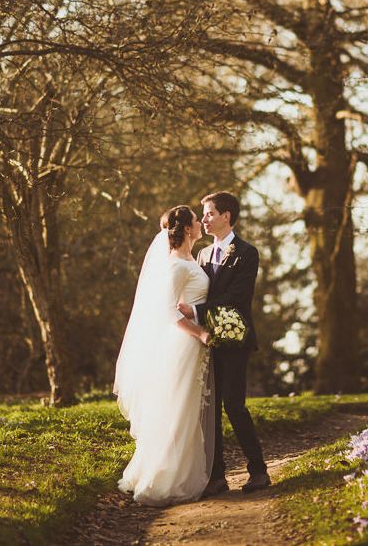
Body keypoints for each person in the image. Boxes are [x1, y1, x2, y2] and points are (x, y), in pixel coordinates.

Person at [113, 206, 213, 506]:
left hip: (191, 344)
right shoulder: (176, 266)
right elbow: (168, 311)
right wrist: (201, 334)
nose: (200, 223)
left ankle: (179, 472)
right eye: (196, 220)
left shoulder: (191, 259)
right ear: (185, 229)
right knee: (178, 410)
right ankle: (163, 479)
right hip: (183, 344)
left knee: (188, 409)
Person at [178, 191, 270, 496]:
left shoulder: (247, 253)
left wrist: (198, 311)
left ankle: (258, 471)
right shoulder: (202, 256)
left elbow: (238, 298)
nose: (203, 220)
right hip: (205, 343)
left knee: (233, 404)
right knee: (210, 409)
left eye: (209, 214)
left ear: (226, 215)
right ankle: (216, 477)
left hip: (235, 340)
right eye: (203, 215)